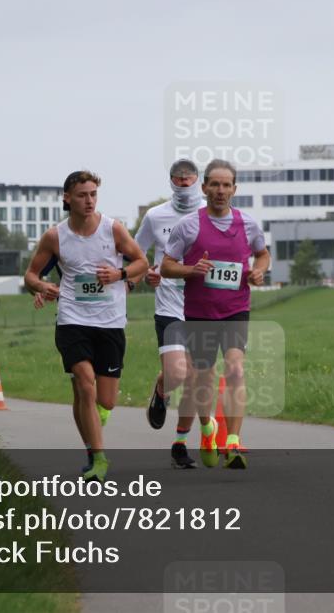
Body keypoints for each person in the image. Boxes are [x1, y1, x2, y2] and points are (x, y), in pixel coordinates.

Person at [25, 170, 148, 483]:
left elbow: (141, 262)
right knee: (84, 382)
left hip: (110, 321)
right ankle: (98, 457)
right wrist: (41, 286)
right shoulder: (55, 236)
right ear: (68, 198)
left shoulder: (112, 228)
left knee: (105, 400)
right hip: (72, 319)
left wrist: (119, 275)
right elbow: (31, 275)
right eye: (82, 195)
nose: (89, 200)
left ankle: (93, 426)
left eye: (93, 194)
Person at [161, 159, 270, 469]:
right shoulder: (188, 225)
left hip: (235, 309)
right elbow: (166, 266)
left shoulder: (248, 224)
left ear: (234, 189)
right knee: (203, 379)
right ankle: (207, 429)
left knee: (235, 369)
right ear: (205, 187)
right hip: (200, 312)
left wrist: (259, 271)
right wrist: (191, 270)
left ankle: (232, 441)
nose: (220, 190)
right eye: (215, 185)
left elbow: (262, 254)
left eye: (226, 185)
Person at [135, 159, 211, 469]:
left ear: (197, 181)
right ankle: (161, 389)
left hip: (203, 306)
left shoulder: (212, 215)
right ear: (171, 182)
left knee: (195, 378)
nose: (183, 184)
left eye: (188, 179)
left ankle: (180, 444)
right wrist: (147, 274)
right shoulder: (156, 216)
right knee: (179, 373)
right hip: (169, 306)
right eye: (177, 179)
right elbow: (136, 254)